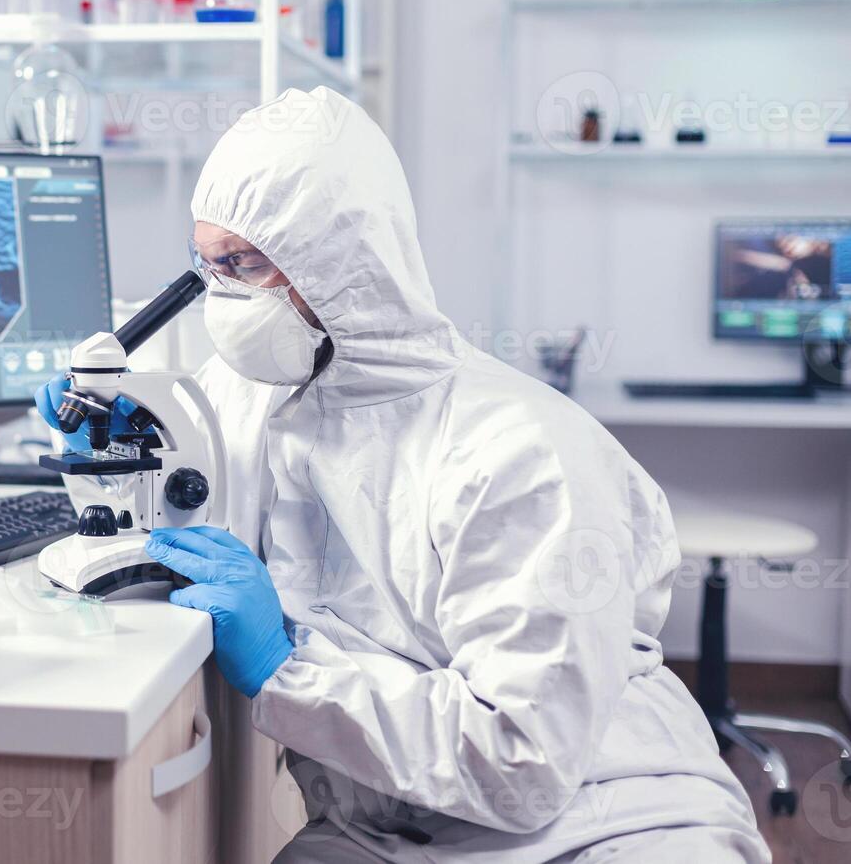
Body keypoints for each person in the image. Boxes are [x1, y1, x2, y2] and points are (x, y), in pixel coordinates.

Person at [38, 88, 769, 861]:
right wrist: (121, 440)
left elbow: (523, 763)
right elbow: (173, 521)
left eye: (242, 265)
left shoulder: (524, 453)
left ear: (334, 263)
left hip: (606, 821)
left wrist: (287, 671)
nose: (221, 295)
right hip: (379, 821)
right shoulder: (252, 396)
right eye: (207, 266)